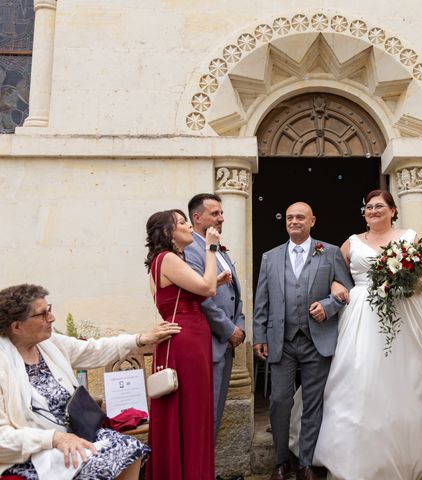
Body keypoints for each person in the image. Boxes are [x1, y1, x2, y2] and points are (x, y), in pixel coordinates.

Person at [309, 189, 422, 479]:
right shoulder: (352, 242)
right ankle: (356, 460)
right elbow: (332, 274)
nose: (373, 211)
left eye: (379, 206)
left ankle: (411, 459)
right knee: (360, 377)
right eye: (368, 207)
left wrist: (402, 282)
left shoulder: (411, 237)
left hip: (404, 314)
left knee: (407, 380)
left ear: (393, 210)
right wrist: (335, 287)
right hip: (362, 317)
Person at [0, 283, 181, 479]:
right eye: (42, 314)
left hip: (75, 434)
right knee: (101, 464)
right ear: (17, 326)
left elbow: (93, 349)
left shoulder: (48, 344)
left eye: (49, 309)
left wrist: (139, 339)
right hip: (35, 451)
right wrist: (54, 438)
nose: (51, 318)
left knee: (131, 448)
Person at [253, 202, 352, 480]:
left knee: (313, 402)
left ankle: (306, 462)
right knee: (279, 400)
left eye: (300, 217)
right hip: (282, 341)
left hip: (317, 341)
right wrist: (260, 334)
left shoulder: (329, 252)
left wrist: (328, 306)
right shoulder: (270, 257)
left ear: (312, 221)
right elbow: (262, 300)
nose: (294, 221)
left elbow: (347, 292)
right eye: (289, 217)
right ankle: (281, 462)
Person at [144, 209, 220, 480]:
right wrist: (211, 248)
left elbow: (183, 296)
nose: (189, 226)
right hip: (187, 342)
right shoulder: (168, 259)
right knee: (192, 412)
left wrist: (213, 281)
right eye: (182, 222)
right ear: (167, 233)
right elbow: (207, 288)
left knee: (188, 412)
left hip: (182, 339)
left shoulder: (166, 260)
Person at [184, 193, 245, 480]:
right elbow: (204, 299)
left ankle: (206, 471)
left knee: (215, 416)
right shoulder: (191, 251)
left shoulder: (217, 248)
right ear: (197, 218)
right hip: (207, 345)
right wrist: (228, 329)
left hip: (226, 343)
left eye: (221, 213)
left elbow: (234, 294)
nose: (221, 218)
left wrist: (240, 324)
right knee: (204, 418)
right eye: (215, 213)